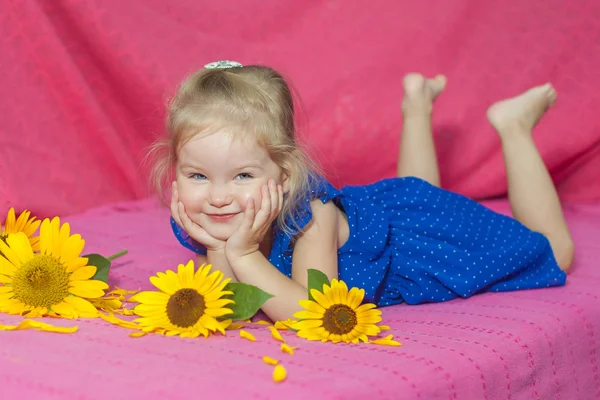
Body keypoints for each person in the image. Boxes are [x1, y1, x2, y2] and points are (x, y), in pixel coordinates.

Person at [149, 60, 573, 322]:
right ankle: (417, 104)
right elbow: (229, 308)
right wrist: (221, 248)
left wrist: (237, 253)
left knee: (555, 252)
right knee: (418, 189)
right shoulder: (215, 216)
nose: (218, 196)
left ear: (283, 176)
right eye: (198, 176)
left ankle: (514, 126)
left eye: (242, 176)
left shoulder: (312, 218)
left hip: (418, 241)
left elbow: (309, 313)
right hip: (397, 207)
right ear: (176, 172)